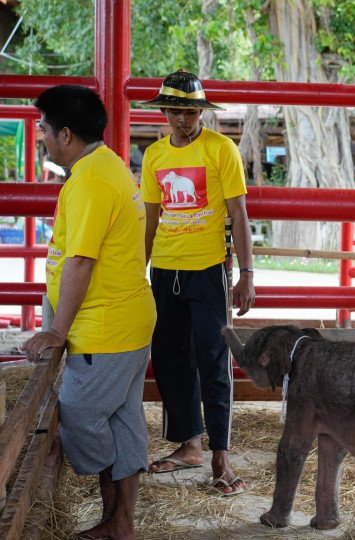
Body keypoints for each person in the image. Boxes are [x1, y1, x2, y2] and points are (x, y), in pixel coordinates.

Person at [21, 84, 157, 540]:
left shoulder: (93, 181)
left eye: (42, 128)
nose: (40, 136)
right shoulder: (107, 165)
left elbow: (80, 260)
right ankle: (120, 523)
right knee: (122, 416)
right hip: (126, 320)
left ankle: (118, 518)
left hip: (106, 329)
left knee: (79, 414)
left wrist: (57, 331)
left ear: (65, 133)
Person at [139, 69, 255, 496]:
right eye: (174, 110)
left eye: (189, 111)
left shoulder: (221, 149)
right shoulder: (154, 157)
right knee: (169, 357)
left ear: (200, 111)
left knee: (213, 359)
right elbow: (151, 219)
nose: (181, 119)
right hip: (164, 270)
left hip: (207, 271)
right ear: (165, 111)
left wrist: (247, 273)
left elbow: (239, 213)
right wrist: (139, 269)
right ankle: (189, 445)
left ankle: (221, 457)